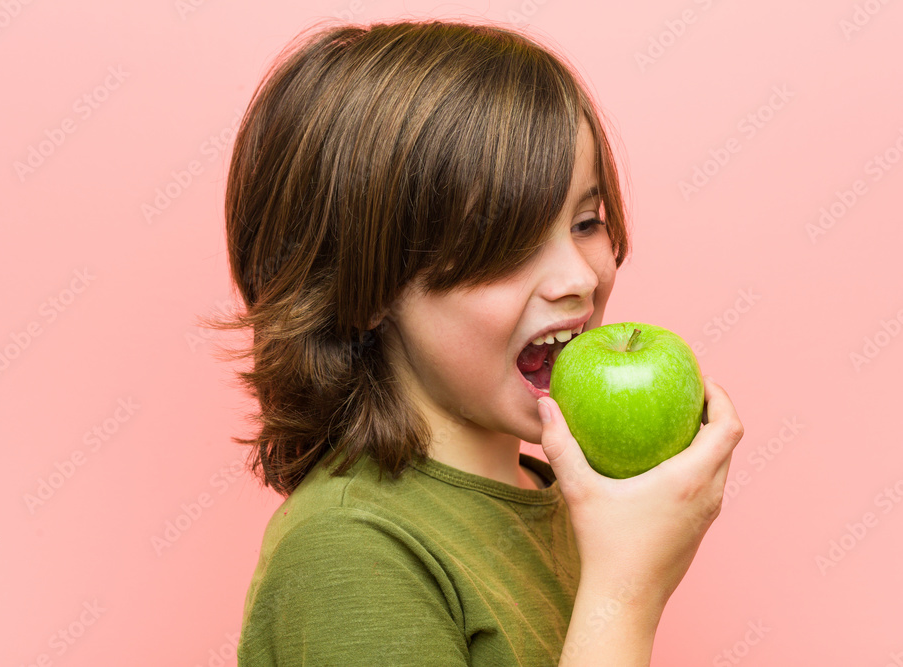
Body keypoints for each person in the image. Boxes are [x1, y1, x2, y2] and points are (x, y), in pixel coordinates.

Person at [208, 17, 744, 666]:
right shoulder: (349, 549)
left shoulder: (566, 501)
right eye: (511, 243)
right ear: (369, 286)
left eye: (585, 221)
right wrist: (626, 591)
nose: (579, 278)